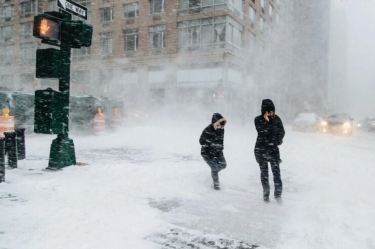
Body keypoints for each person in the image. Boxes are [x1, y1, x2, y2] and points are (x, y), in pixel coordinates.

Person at [254, 99, 285, 203]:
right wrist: (268, 121)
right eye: (269, 111)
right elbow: (263, 133)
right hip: (261, 150)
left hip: (273, 150)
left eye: (273, 111)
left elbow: (281, 131)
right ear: (264, 111)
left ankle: (278, 195)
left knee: (276, 173)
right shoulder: (258, 120)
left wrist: (277, 141)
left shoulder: (276, 119)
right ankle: (266, 194)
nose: (272, 113)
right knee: (264, 174)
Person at [199, 113, 227, 190]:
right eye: (219, 124)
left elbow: (221, 141)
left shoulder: (221, 130)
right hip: (207, 153)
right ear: (215, 122)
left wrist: (220, 149)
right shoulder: (208, 129)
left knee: (224, 165)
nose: (221, 126)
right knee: (214, 167)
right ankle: (216, 184)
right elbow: (201, 141)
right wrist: (210, 144)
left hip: (218, 152)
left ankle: (214, 172)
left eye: (222, 124)